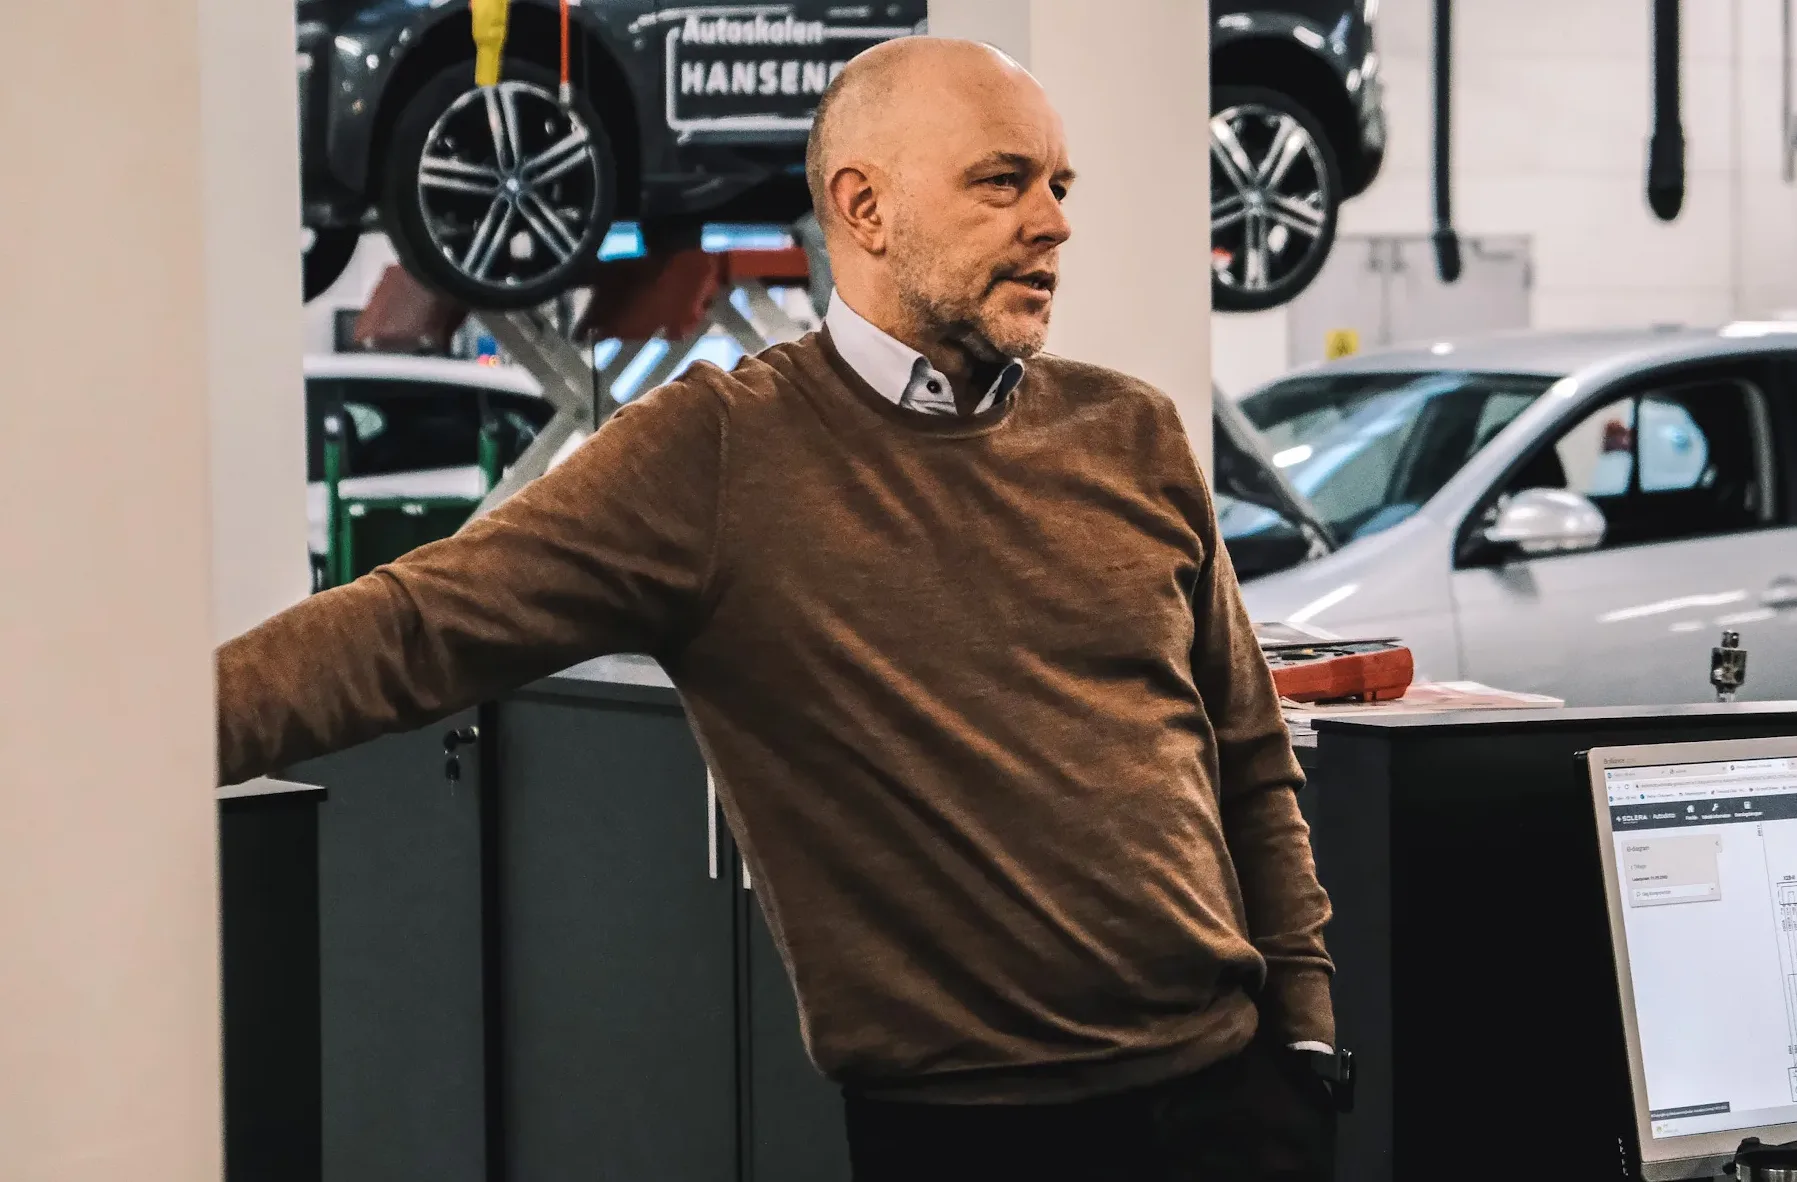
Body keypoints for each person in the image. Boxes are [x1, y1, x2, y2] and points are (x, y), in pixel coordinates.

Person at [218, 36, 1341, 1182]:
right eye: (1003, 182)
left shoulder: (1133, 432)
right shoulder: (719, 457)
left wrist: (1305, 1040)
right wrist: (142, 753)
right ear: (865, 206)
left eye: (1059, 185)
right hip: (972, 1135)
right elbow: (411, 627)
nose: (1052, 222)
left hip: (1235, 1106)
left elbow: (1248, 753)